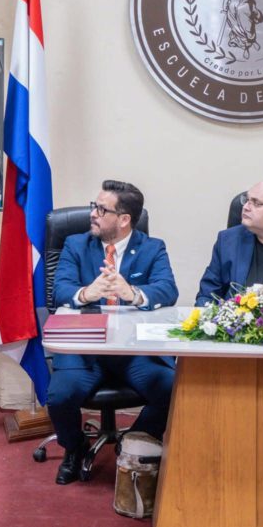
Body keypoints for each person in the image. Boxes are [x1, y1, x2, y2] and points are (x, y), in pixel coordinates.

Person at [47, 180, 178, 485]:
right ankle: (75, 447)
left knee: (172, 388)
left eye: (101, 209)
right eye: (94, 206)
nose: (92, 213)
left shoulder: (152, 248)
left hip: (134, 351)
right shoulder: (76, 245)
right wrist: (86, 293)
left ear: (124, 219)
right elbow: (59, 290)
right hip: (87, 350)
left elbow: (167, 290)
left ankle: (134, 439)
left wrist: (132, 293)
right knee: (60, 396)